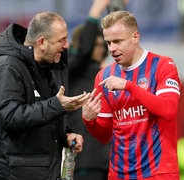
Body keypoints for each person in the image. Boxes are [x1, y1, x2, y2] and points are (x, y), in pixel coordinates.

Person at [0, 12, 91, 180]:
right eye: (61, 40)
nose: (66, 45)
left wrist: (65, 135)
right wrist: (57, 106)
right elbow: (11, 117)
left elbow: (39, 119)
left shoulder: (48, 66)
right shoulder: (8, 67)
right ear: (41, 42)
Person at [82, 11, 181, 179]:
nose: (112, 49)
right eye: (108, 43)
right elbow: (104, 136)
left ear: (135, 37)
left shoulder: (163, 65)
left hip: (158, 172)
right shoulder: (104, 76)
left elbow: (169, 110)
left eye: (118, 41)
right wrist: (89, 120)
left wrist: (128, 86)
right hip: (119, 174)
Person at [67, 0, 110, 179]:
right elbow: (83, 51)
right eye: (95, 44)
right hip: (82, 159)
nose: (99, 49)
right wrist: (96, 11)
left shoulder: (106, 75)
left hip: (104, 159)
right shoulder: (71, 70)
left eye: (102, 45)